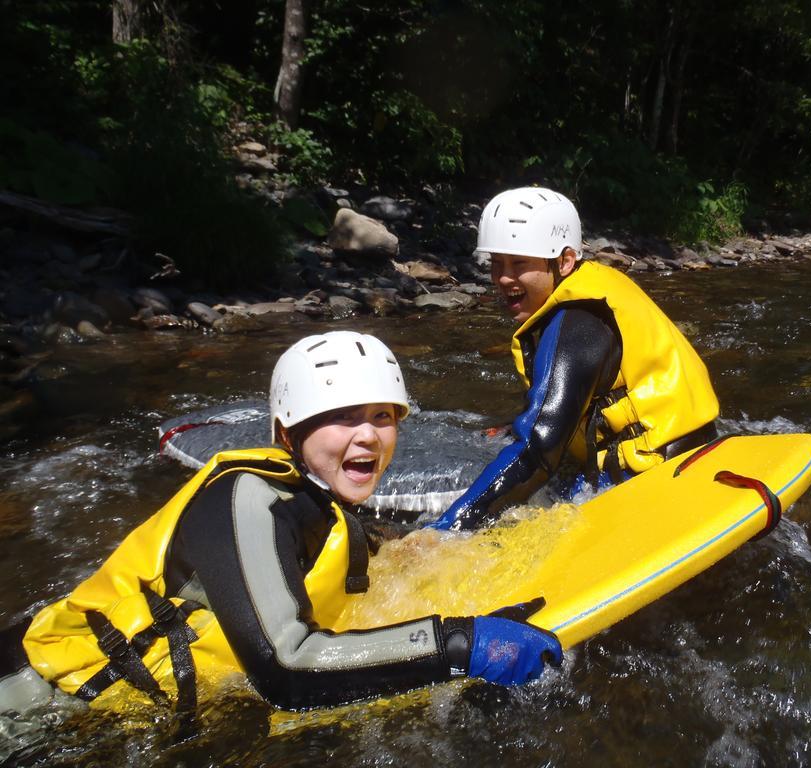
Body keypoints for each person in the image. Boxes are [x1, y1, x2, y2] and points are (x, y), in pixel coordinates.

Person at [0, 331, 561, 716]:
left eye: (382, 417)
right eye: (341, 417)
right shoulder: (243, 498)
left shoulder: (328, 510)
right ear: (287, 434)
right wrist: (462, 643)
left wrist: (472, 597)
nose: (367, 435)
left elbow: (384, 576)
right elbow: (287, 670)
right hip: (38, 697)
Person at [431, 187, 720, 531]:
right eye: (496, 263)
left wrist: (448, 529)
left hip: (652, 474)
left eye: (519, 263)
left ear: (565, 261)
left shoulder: (578, 326)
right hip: (695, 444)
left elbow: (539, 451)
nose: (503, 277)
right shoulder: (595, 285)